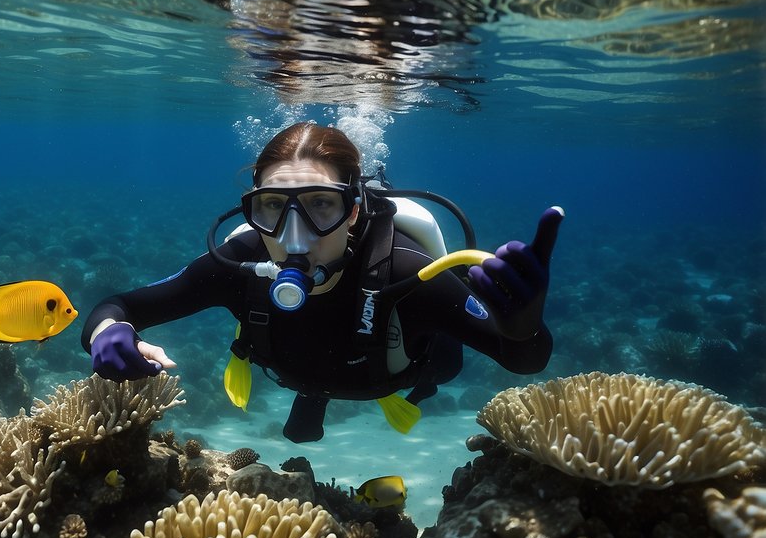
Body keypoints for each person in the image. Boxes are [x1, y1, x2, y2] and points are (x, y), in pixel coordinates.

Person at [81, 122, 564, 442]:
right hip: (293, 363)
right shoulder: (240, 262)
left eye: (321, 205)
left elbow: (524, 360)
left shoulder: (404, 272)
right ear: (253, 208)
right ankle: (314, 392)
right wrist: (108, 333)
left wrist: (523, 329)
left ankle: (342, 390)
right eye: (273, 206)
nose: (296, 237)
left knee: (444, 370)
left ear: (353, 210)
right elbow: (119, 305)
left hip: (401, 370)